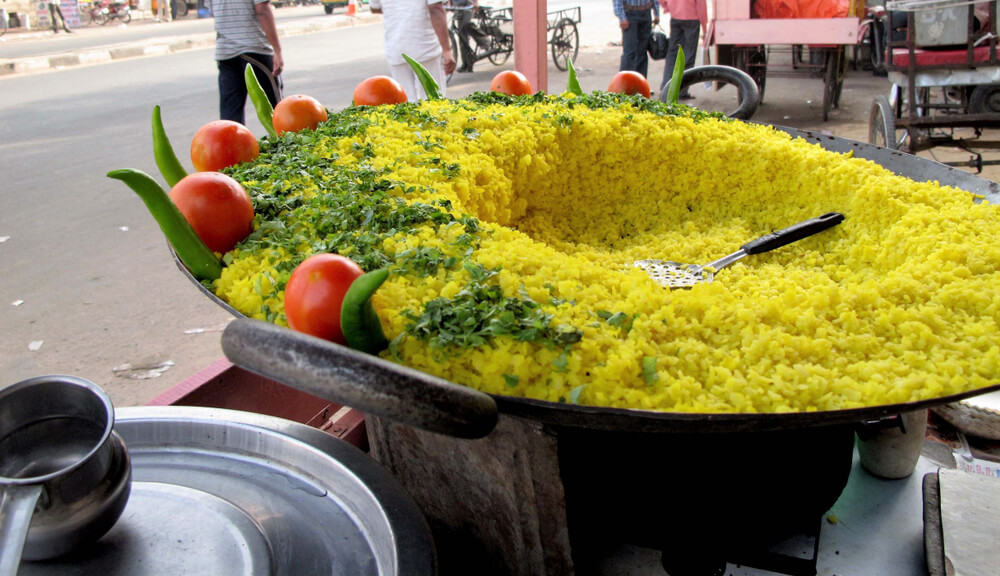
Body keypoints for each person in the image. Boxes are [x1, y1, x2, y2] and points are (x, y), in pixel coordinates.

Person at [206, 0, 284, 125]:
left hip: (226, 53)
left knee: (230, 118)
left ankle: (232, 144)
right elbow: (262, 11)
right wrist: (277, 50)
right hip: (255, 50)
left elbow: (216, 12)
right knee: (279, 112)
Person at [370, 0, 457, 100]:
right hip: (425, 47)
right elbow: (435, 9)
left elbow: (375, 7)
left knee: (407, 103)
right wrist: (447, 50)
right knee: (434, 102)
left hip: (396, 47)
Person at [658, 0, 707, 100]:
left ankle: (666, 88)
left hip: (675, 17)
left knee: (672, 54)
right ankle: (681, 91)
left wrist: (667, 8)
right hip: (692, 19)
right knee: (688, 54)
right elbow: (701, 6)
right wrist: (704, 27)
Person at [613, 0, 659, 78]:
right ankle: (624, 82)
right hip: (630, 14)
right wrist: (622, 17)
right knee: (629, 52)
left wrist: (656, 13)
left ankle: (640, 83)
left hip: (646, 13)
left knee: (642, 51)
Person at [450, 0, 487, 73]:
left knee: (466, 25)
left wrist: (475, 2)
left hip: (468, 4)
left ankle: (484, 40)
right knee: (461, 35)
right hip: (458, 7)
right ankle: (466, 63)